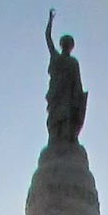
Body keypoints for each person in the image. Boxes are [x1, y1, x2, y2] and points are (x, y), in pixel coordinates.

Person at [44, 8, 88, 143]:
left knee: (66, 118)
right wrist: (50, 21)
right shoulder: (56, 57)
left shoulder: (73, 62)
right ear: (62, 45)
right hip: (56, 95)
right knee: (55, 119)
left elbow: (77, 81)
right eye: (65, 43)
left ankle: (66, 140)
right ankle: (55, 140)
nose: (67, 46)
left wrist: (79, 98)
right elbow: (48, 37)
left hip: (68, 97)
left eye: (69, 44)